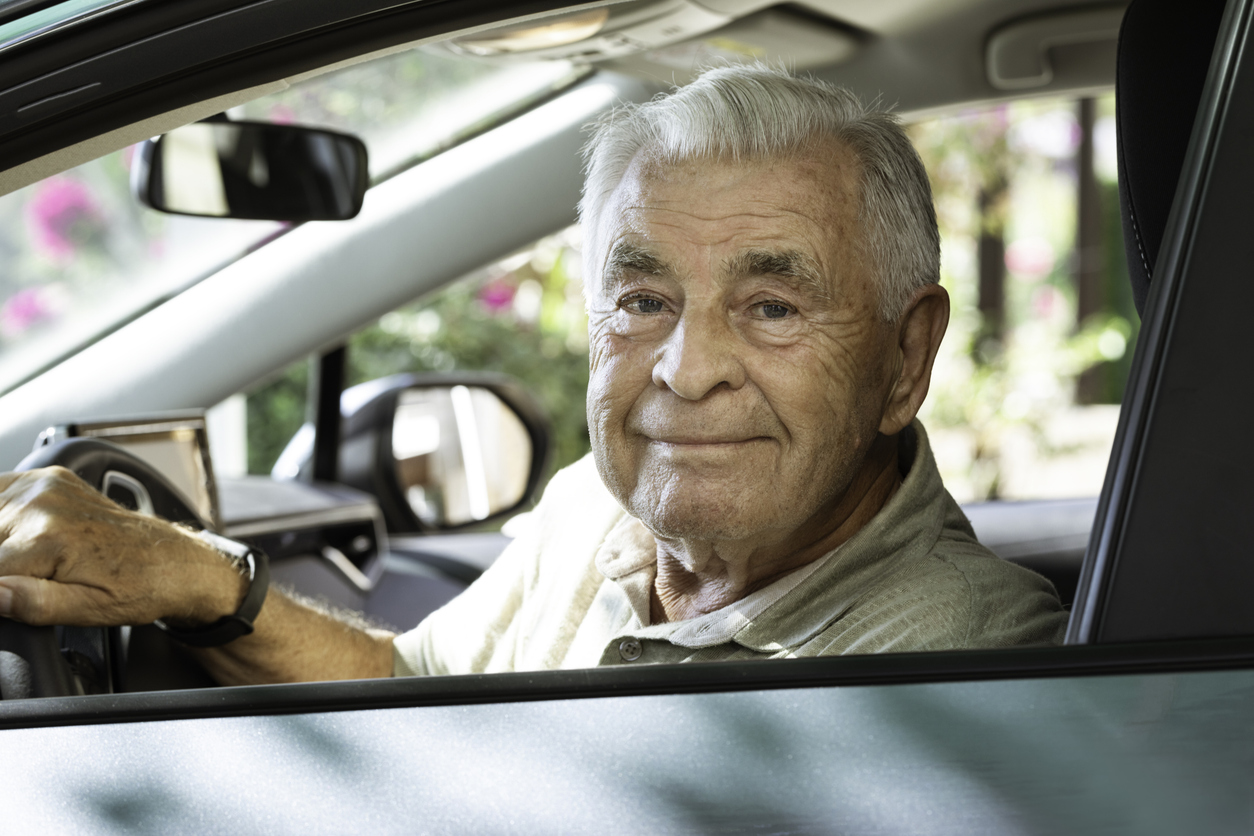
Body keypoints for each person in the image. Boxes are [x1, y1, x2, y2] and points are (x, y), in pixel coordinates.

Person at [0, 66, 1066, 685]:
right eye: (643, 301)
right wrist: (207, 582)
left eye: (773, 307)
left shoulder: (976, 665)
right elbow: (417, 696)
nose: (685, 374)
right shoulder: (595, 509)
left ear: (904, 359)